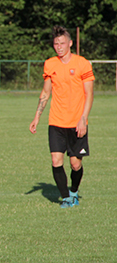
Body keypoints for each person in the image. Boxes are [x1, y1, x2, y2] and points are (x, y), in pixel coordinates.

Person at [29, 26, 94, 208]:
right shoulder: (50, 64)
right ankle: (66, 197)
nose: (59, 46)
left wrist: (83, 119)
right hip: (56, 122)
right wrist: (36, 117)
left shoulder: (82, 63)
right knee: (56, 160)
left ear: (70, 43)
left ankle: (74, 190)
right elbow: (45, 92)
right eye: (56, 43)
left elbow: (89, 94)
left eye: (62, 43)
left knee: (75, 165)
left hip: (76, 123)